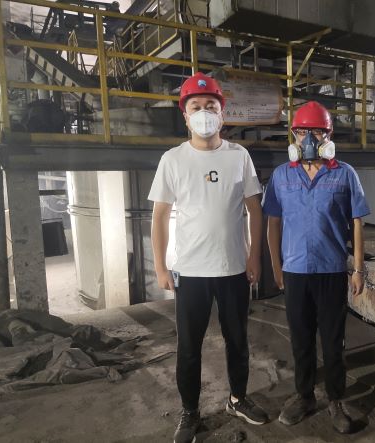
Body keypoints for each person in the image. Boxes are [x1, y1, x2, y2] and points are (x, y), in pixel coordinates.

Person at [148, 72, 268, 443]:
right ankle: (190, 412)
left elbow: (254, 209)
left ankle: (238, 399)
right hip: (191, 272)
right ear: (185, 116)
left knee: (238, 342)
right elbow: (159, 216)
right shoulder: (173, 160)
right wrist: (161, 266)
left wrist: (254, 258)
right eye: (196, 107)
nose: (204, 113)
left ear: (222, 113)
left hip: (233, 269)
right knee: (189, 349)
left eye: (211, 106)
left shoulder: (238, 156)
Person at [262, 101, 370, 434]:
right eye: (302, 131)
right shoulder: (282, 176)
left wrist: (358, 269)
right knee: (301, 339)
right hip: (295, 271)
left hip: (331, 270)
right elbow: (273, 223)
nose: (309, 138)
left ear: (328, 135)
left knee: (333, 340)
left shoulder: (345, 174)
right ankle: (305, 396)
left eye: (317, 131)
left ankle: (336, 399)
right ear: (293, 135)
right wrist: (276, 266)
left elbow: (357, 222)